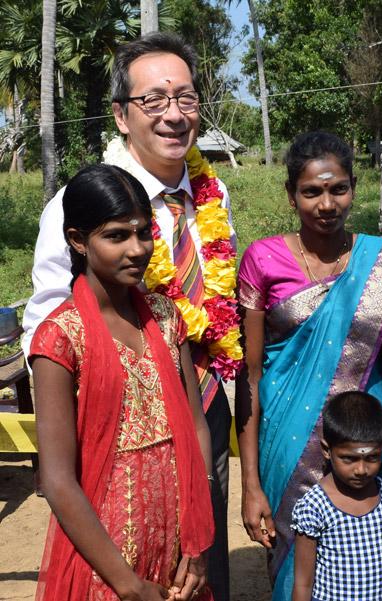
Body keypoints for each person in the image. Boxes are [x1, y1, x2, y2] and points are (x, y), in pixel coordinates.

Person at [21, 33, 235, 600]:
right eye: (154, 101)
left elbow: (216, 303)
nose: (173, 115)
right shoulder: (79, 202)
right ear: (120, 114)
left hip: (201, 403)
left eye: (185, 98)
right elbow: (47, 323)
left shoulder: (213, 196)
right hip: (105, 424)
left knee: (200, 558)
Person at [235, 131, 382, 601]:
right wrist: (250, 484)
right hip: (283, 437)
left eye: (338, 188)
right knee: (290, 564)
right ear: (291, 195)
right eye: (312, 191)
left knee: (369, 563)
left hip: (364, 439)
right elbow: (251, 375)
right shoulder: (262, 259)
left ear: (354, 187)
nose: (326, 203)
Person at [29, 164, 214, 601]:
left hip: (178, 552)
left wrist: (198, 537)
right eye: (116, 236)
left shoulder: (167, 317)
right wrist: (128, 585)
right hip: (107, 568)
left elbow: (196, 425)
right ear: (77, 240)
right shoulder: (60, 338)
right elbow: (57, 480)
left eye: (143, 232)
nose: (137, 249)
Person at [290, 391, 382, 601]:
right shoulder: (313, 507)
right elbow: (303, 581)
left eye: (372, 457)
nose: (361, 470)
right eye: (349, 459)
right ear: (327, 450)